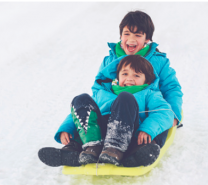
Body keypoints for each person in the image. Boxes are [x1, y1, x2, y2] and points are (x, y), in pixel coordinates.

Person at [54, 10, 183, 158]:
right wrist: (68, 128)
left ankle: (143, 149)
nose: (131, 39)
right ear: (120, 36)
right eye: (127, 34)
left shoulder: (158, 62)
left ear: (147, 39)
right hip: (108, 118)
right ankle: (77, 148)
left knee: (140, 113)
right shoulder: (109, 62)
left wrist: (173, 114)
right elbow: (96, 97)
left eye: (138, 35)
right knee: (84, 103)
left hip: (141, 114)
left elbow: (171, 89)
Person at [39, 55, 174, 167]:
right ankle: (83, 150)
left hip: (128, 134)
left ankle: (125, 152)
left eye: (137, 75)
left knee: (125, 97)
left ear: (147, 80)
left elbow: (164, 112)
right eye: (125, 73)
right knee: (81, 100)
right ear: (117, 77)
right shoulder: (103, 93)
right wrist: (66, 128)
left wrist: (147, 129)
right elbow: (79, 112)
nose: (130, 78)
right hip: (98, 136)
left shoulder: (149, 93)